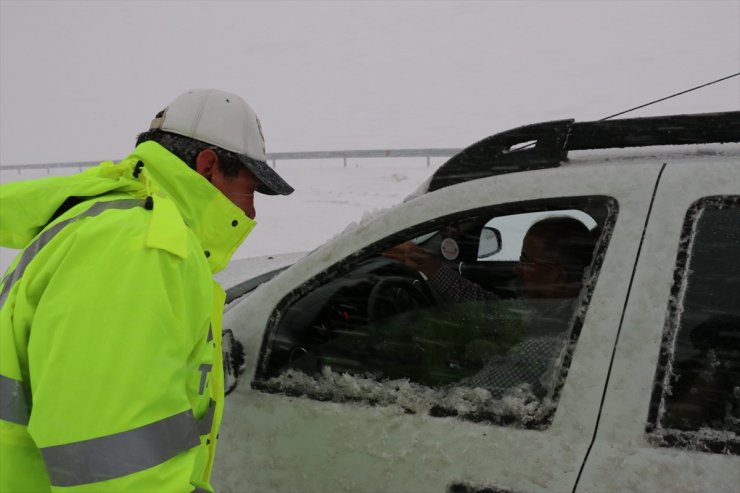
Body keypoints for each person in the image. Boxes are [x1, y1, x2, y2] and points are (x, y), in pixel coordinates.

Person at [0, 88, 293, 492]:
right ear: (209, 166)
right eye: (251, 189)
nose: (251, 212)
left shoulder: (113, 223)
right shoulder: (141, 248)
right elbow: (112, 466)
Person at [385, 217, 597, 397]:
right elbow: (488, 310)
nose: (516, 269)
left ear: (558, 276)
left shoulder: (546, 345)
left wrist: (396, 390)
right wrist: (425, 263)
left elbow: (459, 398)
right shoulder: (550, 310)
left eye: (526, 260)